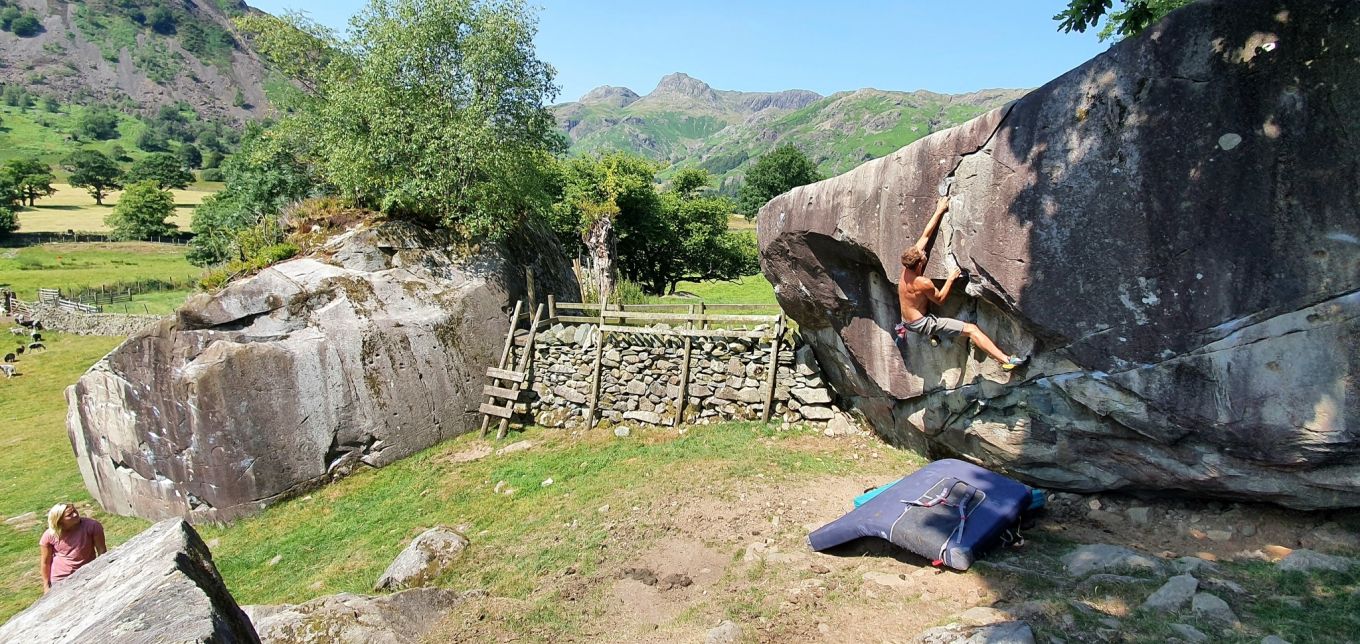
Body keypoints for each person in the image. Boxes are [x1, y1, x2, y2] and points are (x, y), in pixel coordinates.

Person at [895, 196, 1029, 371]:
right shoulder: (922, 282)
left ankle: (934, 335)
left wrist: (940, 209)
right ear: (919, 263)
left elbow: (926, 235)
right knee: (971, 329)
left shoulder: (907, 269)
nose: (924, 254)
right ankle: (1006, 360)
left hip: (908, 319)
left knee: (923, 302)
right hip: (921, 323)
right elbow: (940, 299)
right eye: (923, 257)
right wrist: (951, 278)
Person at [39, 503, 106, 593]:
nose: (75, 514)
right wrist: (46, 586)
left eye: (74, 511)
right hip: (61, 579)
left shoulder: (92, 526)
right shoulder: (50, 535)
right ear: (60, 520)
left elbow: (101, 550)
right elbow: (45, 562)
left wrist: (101, 569)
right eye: (69, 515)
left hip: (87, 572)